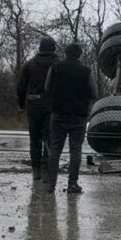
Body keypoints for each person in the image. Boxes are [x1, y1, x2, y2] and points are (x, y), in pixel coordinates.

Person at [44, 43, 99, 194]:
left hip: (58, 114)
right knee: (75, 150)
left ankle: (51, 184)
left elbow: (47, 88)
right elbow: (94, 93)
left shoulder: (55, 68)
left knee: (55, 149)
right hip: (78, 116)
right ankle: (72, 184)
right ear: (80, 55)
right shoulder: (86, 71)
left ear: (65, 54)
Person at [17, 37, 59, 181]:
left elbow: (21, 86)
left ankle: (36, 170)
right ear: (53, 49)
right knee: (49, 137)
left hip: (33, 103)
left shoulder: (30, 64)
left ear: (40, 48)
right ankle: (47, 169)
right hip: (52, 104)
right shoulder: (58, 64)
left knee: (34, 138)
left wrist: (21, 104)